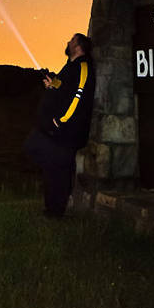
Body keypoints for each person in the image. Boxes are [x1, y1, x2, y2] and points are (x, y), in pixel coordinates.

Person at [25, 33, 95, 218]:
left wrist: (61, 121)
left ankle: (55, 212)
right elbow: (65, 88)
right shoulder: (70, 67)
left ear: (79, 46)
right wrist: (52, 84)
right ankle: (51, 208)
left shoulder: (83, 66)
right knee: (42, 157)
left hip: (66, 132)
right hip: (54, 130)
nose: (68, 42)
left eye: (72, 40)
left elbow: (78, 96)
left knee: (59, 170)